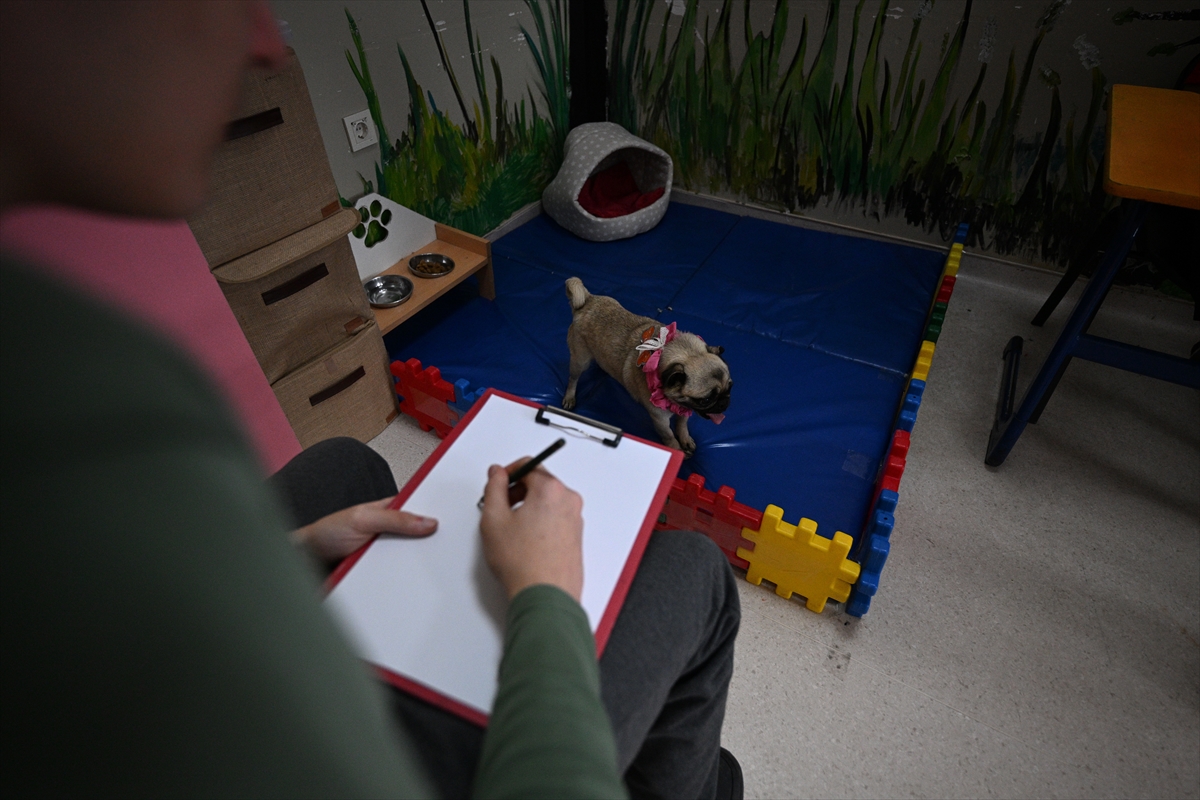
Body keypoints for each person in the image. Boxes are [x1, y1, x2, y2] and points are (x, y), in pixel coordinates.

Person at [0, 2, 741, 798]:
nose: (267, 44)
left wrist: (293, 551)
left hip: (191, 659)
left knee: (348, 463)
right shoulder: (79, 388)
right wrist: (545, 596)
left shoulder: (63, 339)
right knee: (696, 568)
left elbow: (137, 627)